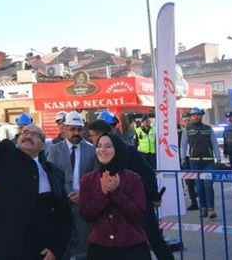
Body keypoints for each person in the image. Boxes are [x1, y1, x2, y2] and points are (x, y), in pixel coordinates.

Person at [0, 83, 70, 260]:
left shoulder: (54, 173)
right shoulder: (5, 154)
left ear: (43, 145)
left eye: (34, 134)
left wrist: (56, 248)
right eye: (24, 132)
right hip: (7, 248)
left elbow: (64, 216)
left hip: (40, 250)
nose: (27, 135)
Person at [86, 120, 174, 260]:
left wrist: (153, 197)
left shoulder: (127, 150)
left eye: (93, 135)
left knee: (153, 238)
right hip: (112, 209)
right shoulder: (98, 153)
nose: (92, 139)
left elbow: (148, 173)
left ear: (104, 134)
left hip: (136, 202)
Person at [80, 132, 150, 260]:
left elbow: (137, 215)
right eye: (99, 146)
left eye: (108, 146)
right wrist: (103, 194)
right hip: (100, 248)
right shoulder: (88, 179)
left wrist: (117, 193)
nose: (102, 150)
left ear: (117, 149)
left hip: (131, 247)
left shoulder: (133, 178)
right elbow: (87, 214)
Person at [47, 110, 95, 260]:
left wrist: (82, 194)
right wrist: (68, 194)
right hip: (62, 204)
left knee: (84, 245)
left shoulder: (91, 150)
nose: (76, 133)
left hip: (83, 203)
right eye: (72, 129)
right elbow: (51, 176)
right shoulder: (55, 150)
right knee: (64, 244)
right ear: (64, 129)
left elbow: (95, 176)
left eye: (79, 129)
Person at [179, 107, 221, 219]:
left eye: (198, 115)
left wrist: (218, 158)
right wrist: (183, 158)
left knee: (208, 184)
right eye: (193, 115)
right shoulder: (187, 130)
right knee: (199, 186)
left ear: (201, 116)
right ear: (191, 117)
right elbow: (183, 145)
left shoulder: (208, 129)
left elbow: (214, 143)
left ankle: (211, 209)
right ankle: (203, 209)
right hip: (194, 162)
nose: (196, 117)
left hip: (208, 161)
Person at [177, 114, 198, 211]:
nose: (187, 122)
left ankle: (205, 204)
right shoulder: (180, 132)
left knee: (198, 181)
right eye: (184, 120)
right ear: (182, 122)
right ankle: (193, 202)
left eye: (188, 120)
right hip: (186, 158)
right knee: (189, 181)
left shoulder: (196, 130)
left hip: (196, 158)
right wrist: (182, 158)